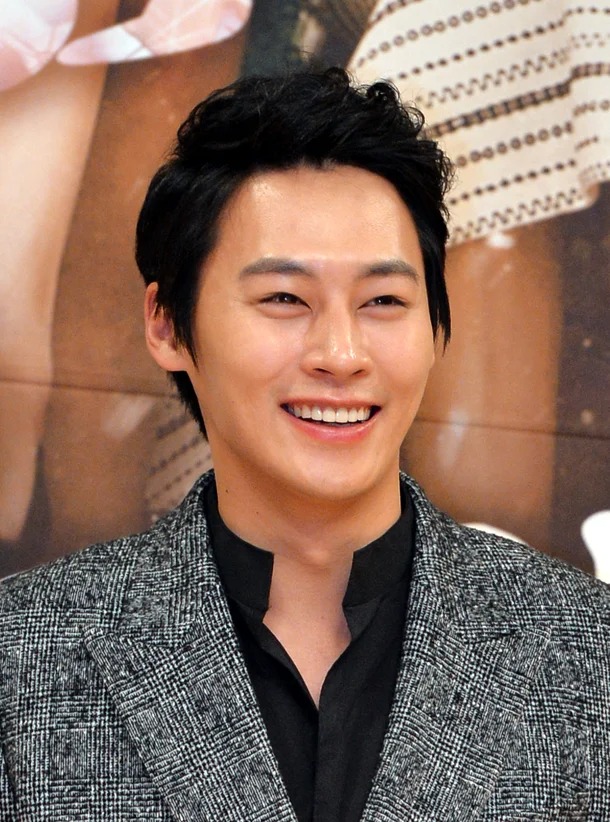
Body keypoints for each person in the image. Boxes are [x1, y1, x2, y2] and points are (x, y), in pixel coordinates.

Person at [1, 68, 608, 821]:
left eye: (384, 300)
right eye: (285, 298)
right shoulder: (23, 656)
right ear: (166, 324)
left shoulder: (586, 652)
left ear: (436, 326)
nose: (341, 354)